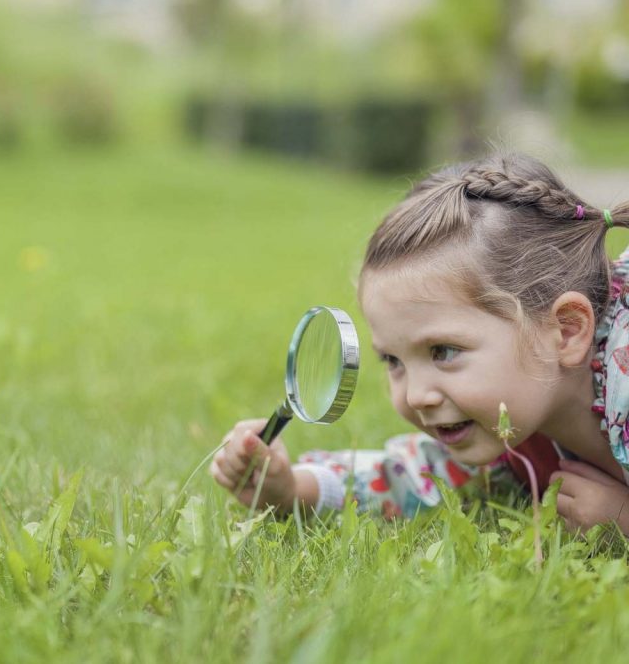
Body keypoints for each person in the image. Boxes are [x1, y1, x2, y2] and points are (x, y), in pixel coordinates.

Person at [210, 152, 629, 535]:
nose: (415, 395)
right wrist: (291, 489)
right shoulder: (510, 421)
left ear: (567, 331)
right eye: (393, 360)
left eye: (443, 352)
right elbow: (417, 474)